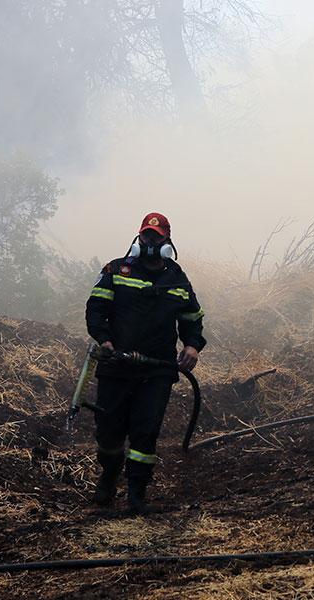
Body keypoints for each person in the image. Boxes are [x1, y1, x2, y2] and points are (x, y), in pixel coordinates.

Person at [85, 212, 205, 513]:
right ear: (138, 239)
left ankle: (137, 494)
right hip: (116, 367)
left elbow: (192, 319)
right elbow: (96, 309)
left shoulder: (177, 279)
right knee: (109, 431)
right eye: (146, 236)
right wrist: (105, 341)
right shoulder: (116, 269)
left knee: (145, 431)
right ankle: (109, 475)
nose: (150, 242)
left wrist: (192, 346)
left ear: (167, 242)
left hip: (157, 370)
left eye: (157, 237)